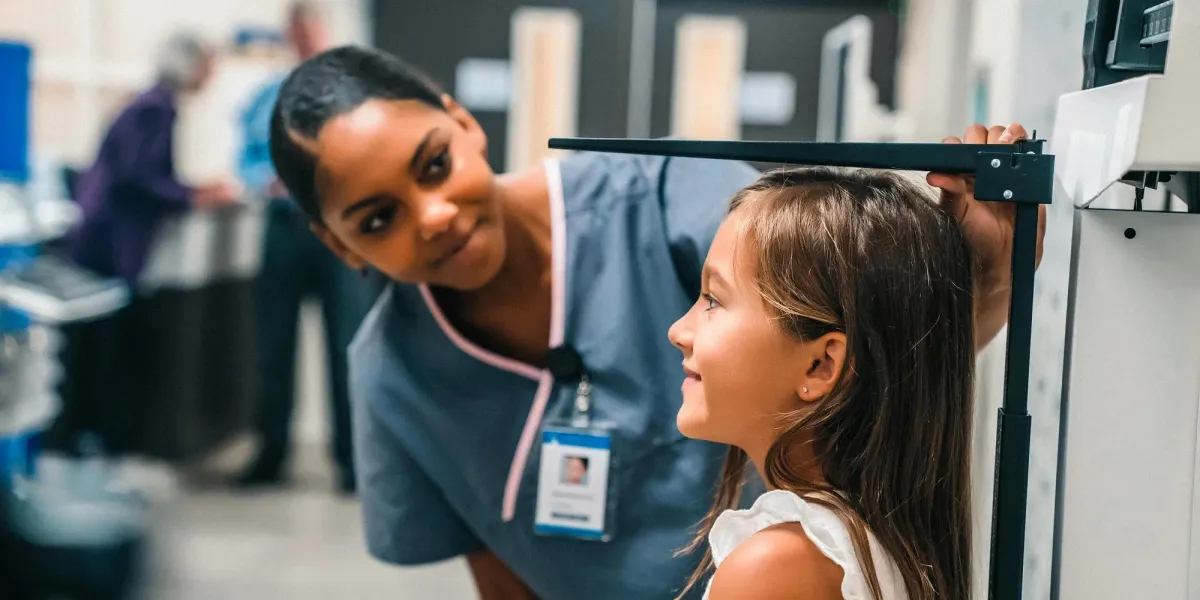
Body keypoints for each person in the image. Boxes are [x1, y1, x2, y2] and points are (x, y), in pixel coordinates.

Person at [267, 45, 1043, 599]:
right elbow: (497, 578)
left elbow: (868, 372)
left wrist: (987, 280)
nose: (432, 215)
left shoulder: (675, 201)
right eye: (376, 220)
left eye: (433, 163)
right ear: (338, 247)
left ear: (462, 121)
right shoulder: (391, 375)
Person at [668, 167, 978, 599]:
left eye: (714, 300)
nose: (678, 331)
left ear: (820, 366)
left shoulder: (776, 568)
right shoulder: (867, 542)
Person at [50, 31, 238, 456]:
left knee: (101, 353)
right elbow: (136, 179)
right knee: (101, 355)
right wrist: (196, 195)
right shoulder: (154, 110)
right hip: (108, 247)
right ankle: (88, 445)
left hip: (107, 244)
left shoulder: (153, 106)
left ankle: (89, 442)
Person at [234, 1, 374, 493]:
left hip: (336, 234)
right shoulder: (264, 99)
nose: (306, 40)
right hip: (282, 231)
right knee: (274, 346)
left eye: (313, 31)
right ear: (290, 37)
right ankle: (270, 456)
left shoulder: (351, 100)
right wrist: (265, 181)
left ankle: (353, 464)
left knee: (345, 347)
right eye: (298, 32)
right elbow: (246, 161)